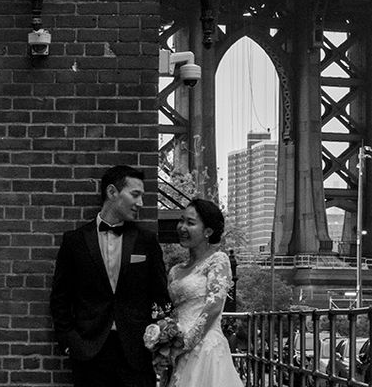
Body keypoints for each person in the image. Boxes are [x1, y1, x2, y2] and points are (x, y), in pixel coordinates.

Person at [50, 165, 169, 387]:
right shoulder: (74, 241)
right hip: (89, 353)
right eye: (135, 194)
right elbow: (60, 298)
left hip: (137, 354)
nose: (140, 203)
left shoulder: (146, 241)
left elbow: (160, 296)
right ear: (112, 192)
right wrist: (69, 341)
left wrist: (158, 339)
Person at [167, 198, 243, 387]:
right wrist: (166, 341)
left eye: (190, 223)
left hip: (205, 350)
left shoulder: (218, 260)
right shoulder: (175, 271)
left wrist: (185, 344)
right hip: (176, 351)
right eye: (181, 220)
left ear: (208, 231)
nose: (182, 227)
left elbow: (214, 307)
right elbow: (172, 310)